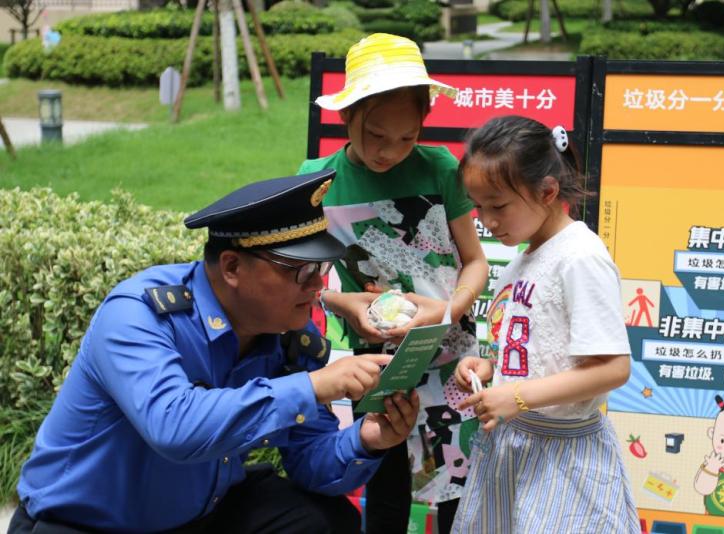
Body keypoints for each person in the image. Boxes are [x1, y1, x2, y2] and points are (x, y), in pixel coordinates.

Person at [10, 170, 420, 534]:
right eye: (300, 270)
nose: (317, 287)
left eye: (321, 268)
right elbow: (174, 426)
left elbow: (309, 460)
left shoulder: (289, 336)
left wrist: (366, 440)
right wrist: (312, 387)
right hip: (83, 524)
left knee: (324, 521)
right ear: (232, 267)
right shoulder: (139, 315)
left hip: (199, 515)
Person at [298, 33, 488, 534]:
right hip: (378, 358)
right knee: (385, 484)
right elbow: (306, 283)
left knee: (457, 489)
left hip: (452, 353)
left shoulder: (441, 168)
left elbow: (475, 262)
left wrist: (446, 311)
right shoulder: (317, 180)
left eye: (407, 138)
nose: (390, 151)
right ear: (347, 115)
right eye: (376, 135)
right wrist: (347, 304)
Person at [451, 116, 639, 532]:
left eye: (498, 206)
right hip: (514, 450)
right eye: (479, 206)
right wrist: (489, 370)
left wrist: (516, 396)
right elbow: (536, 350)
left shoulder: (580, 257)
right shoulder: (520, 260)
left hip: (563, 460)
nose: (487, 221)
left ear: (548, 191)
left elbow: (613, 368)